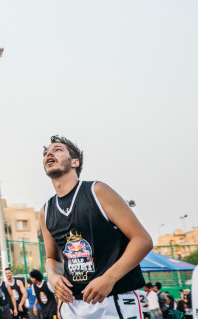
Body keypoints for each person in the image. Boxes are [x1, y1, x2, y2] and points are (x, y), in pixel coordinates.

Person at [41, 136, 152, 319]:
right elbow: (53, 257)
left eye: (58, 149)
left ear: (75, 162)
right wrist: (52, 277)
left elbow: (143, 240)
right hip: (73, 304)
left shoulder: (97, 191)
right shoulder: (46, 210)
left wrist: (109, 278)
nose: (49, 154)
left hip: (115, 298)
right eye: (46, 153)